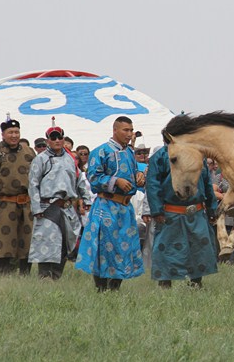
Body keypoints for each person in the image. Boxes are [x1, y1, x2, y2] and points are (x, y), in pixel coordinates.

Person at [76, 116, 145, 291]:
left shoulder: (130, 152)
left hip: (125, 209)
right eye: (125, 130)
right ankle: (101, 289)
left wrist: (140, 177)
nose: (129, 134)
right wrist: (116, 181)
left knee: (123, 249)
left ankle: (115, 289)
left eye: (131, 130)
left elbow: (135, 173)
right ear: (115, 130)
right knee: (104, 249)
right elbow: (93, 178)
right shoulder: (101, 151)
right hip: (106, 206)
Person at [146, 143, 218, 287]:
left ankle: (196, 285)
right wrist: (157, 211)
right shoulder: (160, 156)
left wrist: (211, 208)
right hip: (170, 213)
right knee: (166, 251)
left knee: (199, 251)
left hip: (196, 212)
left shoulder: (198, 155)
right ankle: (165, 286)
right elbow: (152, 184)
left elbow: (206, 183)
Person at [28, 122, 91, 280]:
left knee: (64, 243)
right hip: (47, 207)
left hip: (67, 207)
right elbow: (33, 184)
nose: (57, 140)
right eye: (53, 137)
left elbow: (79, 180)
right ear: (48, 140)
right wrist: (37, 208)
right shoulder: (40, 159)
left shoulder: (70, 158)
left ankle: (56, 277)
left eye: (59, 137)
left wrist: (86, 197)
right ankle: (44, 278)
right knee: (47, 244)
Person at [0, 115, 36, 275]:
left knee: (27, 239)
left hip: (26, 203)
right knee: (4, 240)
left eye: (16, 132)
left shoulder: (29, 151)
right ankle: (4, 274)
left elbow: (36, 177)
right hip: (4, 203)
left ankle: (25, 274)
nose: (14, 135)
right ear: (3, 135)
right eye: (10, 132)